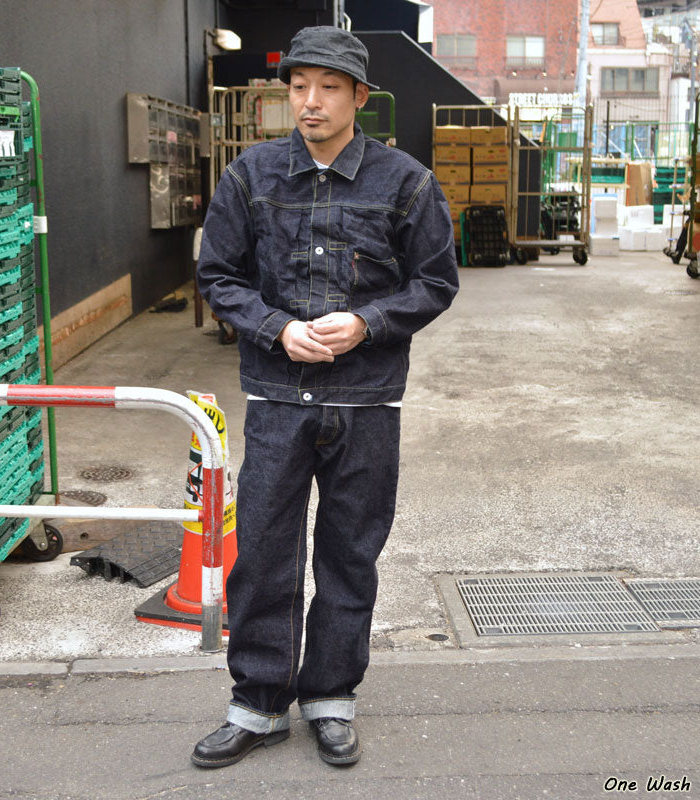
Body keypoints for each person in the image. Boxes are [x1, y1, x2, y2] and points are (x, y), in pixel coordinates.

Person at [193, 25, 458, 768]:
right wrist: (276, 329)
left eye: (328, 87)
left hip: (366, 401)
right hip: (278, 398)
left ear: (359, 97)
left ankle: (332, 698)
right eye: (299, 86)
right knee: (263, 552)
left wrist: (367, 323)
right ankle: (257, 703)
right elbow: (217, 276)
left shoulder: (405, 182)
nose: (310, 101)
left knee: (349, 555)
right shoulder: (251, 175)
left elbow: (435, 282)